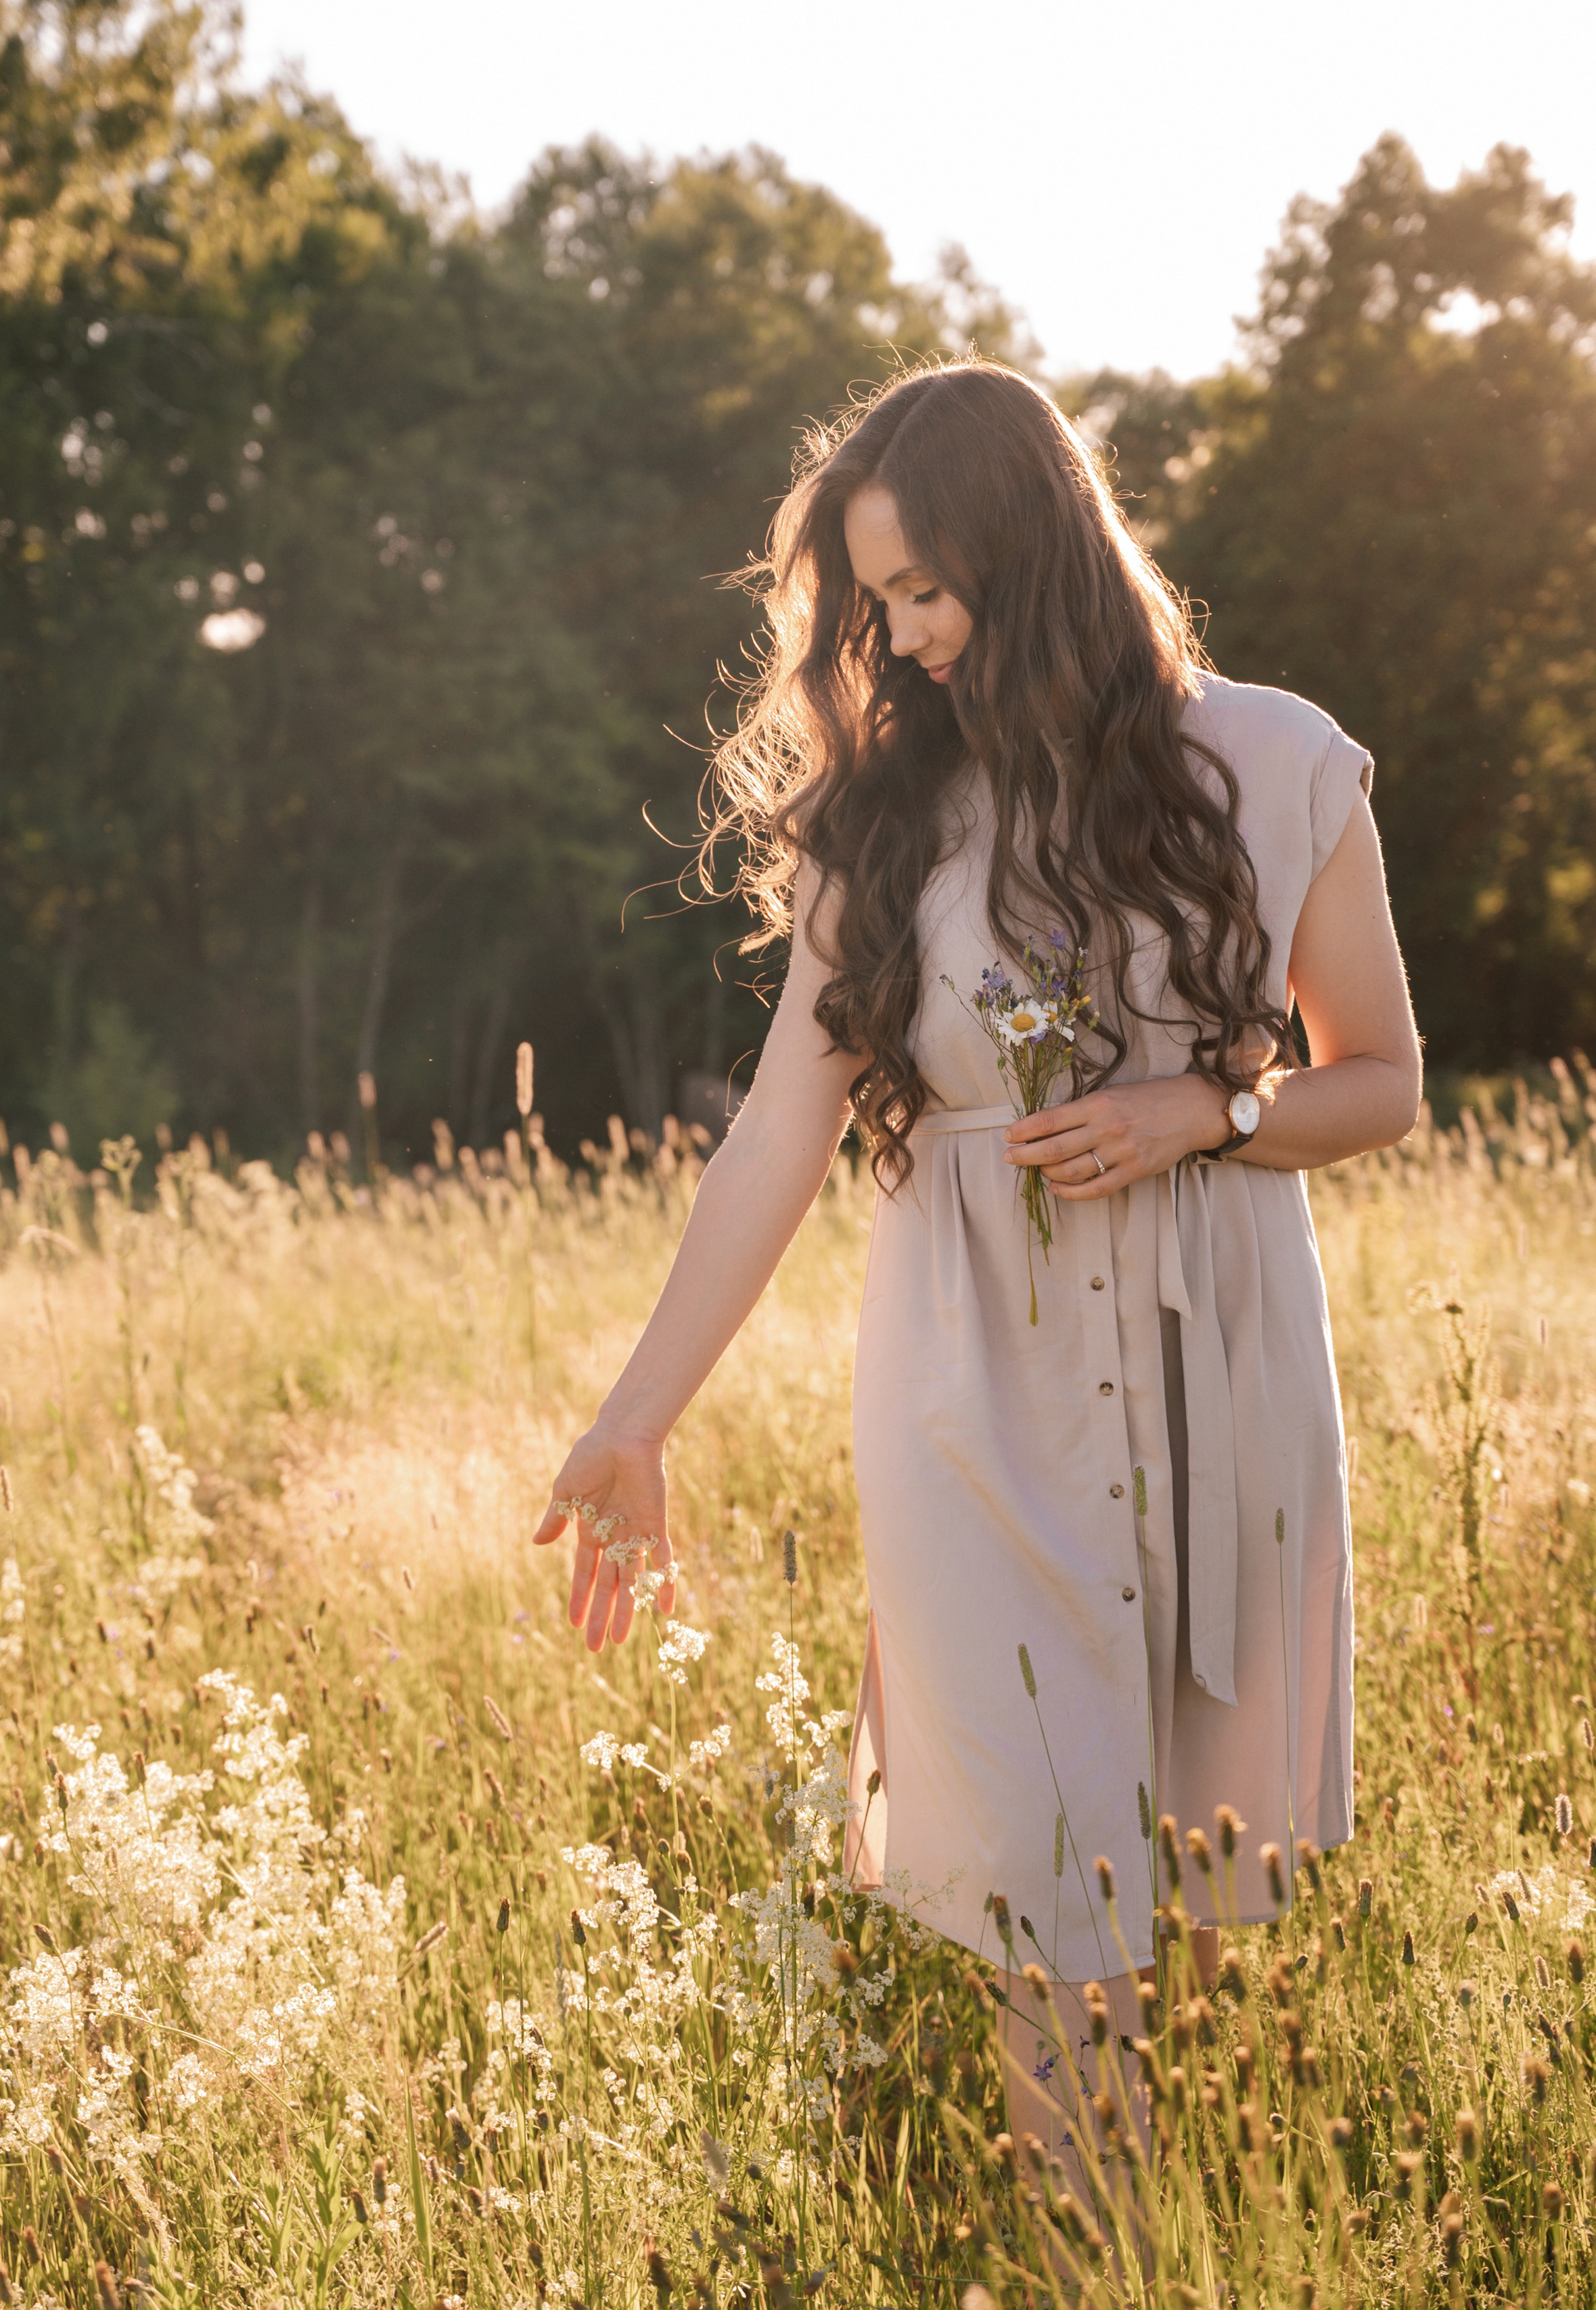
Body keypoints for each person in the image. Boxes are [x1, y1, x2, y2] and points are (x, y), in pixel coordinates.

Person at [531, 359, 1421, 2179]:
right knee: (1042, 1896)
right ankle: (1092, 2253)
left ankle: (1194, 2242)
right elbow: (778, 1130)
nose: (908, 635)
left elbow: (1386, 1079)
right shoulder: (888, 817)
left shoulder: (1278, 758)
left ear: (1034, 552)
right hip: (973, 1399)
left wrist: (1206, 1112)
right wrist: (635, 1417)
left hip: (1216, 1381)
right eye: (877, 605)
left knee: (1192, 1886)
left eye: (930, 589)